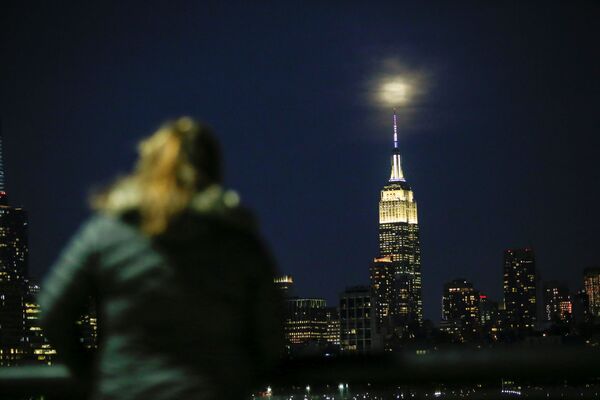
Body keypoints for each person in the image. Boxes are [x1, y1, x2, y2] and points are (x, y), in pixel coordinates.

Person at [39, 117, 284, 400]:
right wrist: (235, 375)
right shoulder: (240, 242)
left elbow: (52, 312)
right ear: (213, 171)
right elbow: (272, 338)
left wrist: (96, 375)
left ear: (147, 167)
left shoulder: (105, 234)